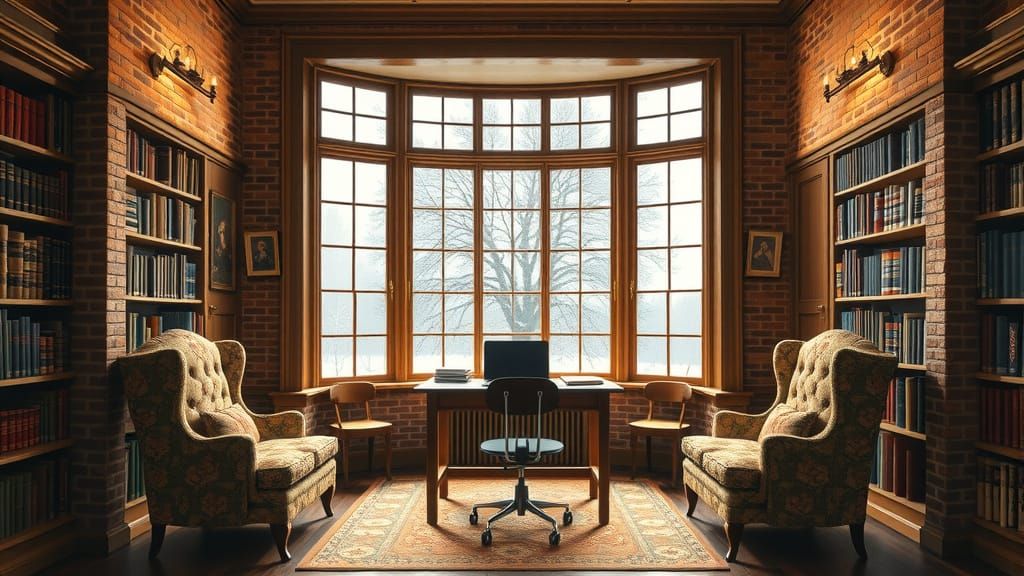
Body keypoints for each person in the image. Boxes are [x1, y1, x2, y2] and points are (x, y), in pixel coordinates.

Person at [212, 218, 232, 286]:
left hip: (223, 257)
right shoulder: (214, 234)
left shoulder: (225, 236)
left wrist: (221, 235)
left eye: (223, 225)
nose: (221, 226)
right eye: (220, 225)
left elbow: (224, 247)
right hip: (215, 257)